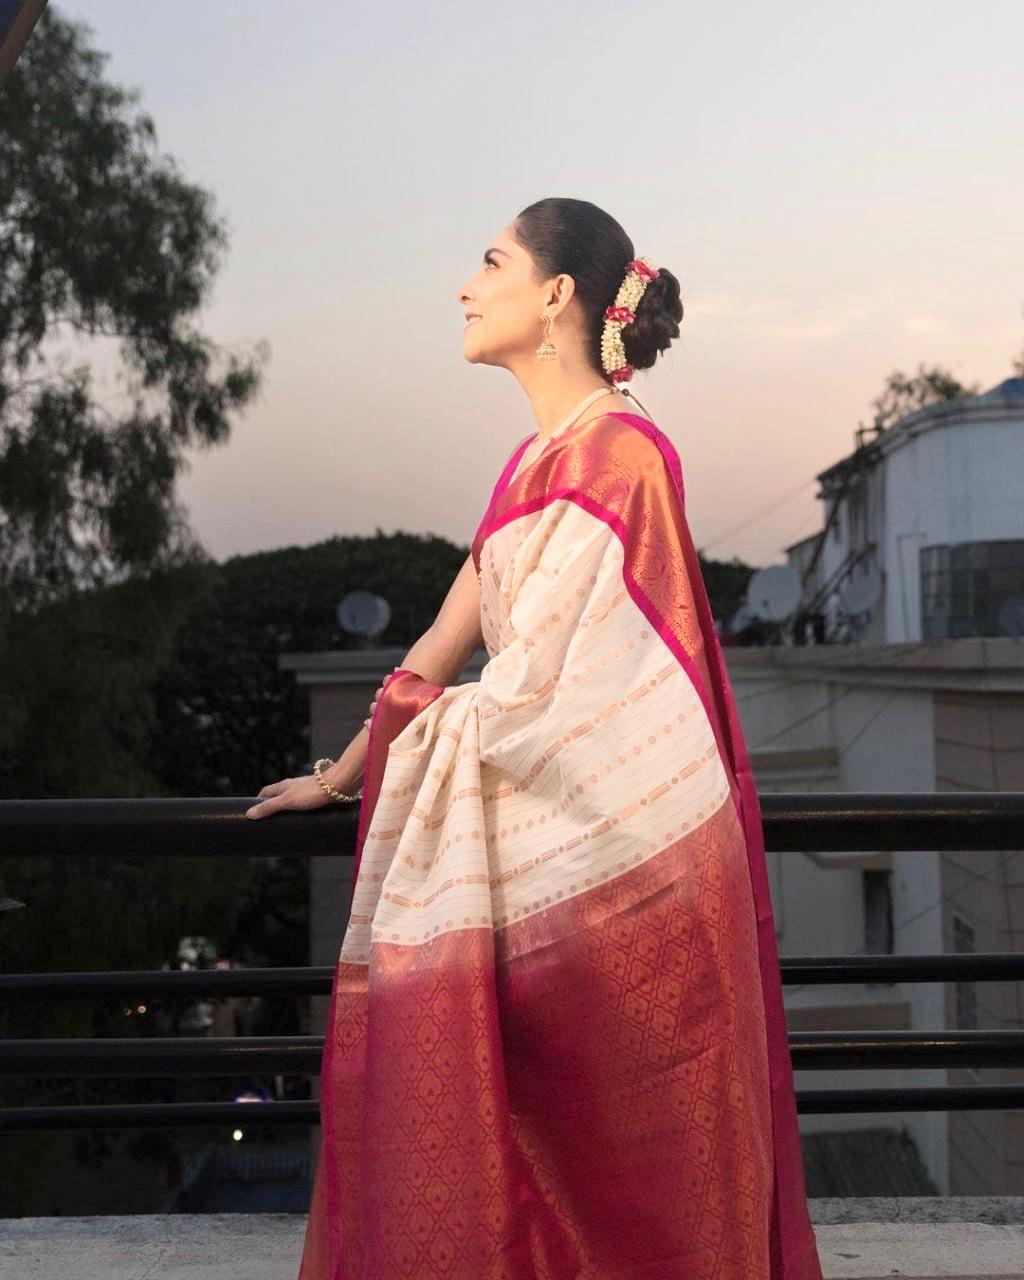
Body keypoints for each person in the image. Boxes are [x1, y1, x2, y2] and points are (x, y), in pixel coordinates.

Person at [248, 197, 823, 1279]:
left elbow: (578, 698)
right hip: (544, 864)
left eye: (489, 261)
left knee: (629, 1184)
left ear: (556, 294)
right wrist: (334, 777)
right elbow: (435, 647)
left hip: (627, 872)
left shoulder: (626, 459)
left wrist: (432, 738)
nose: (466, 286)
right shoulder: (526, 466)